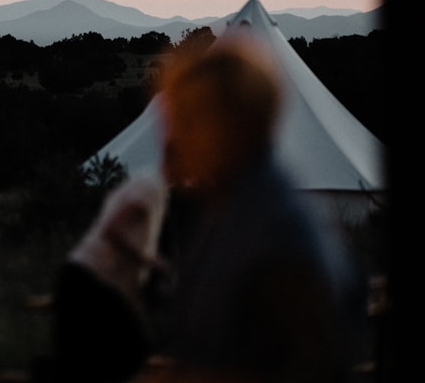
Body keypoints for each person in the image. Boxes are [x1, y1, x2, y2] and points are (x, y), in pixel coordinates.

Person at [146, 36, 364, 383]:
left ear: (222, 128)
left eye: (183, 122)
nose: (169, 139)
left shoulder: (278, 235)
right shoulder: (233, 210)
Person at [50, 172, 168, 383]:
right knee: (129, 355)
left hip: (84, 279)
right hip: (88, 280)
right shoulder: (151, 187)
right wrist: (148, 260)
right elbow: (113, 228)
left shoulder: (149, 192)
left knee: (92, 364)